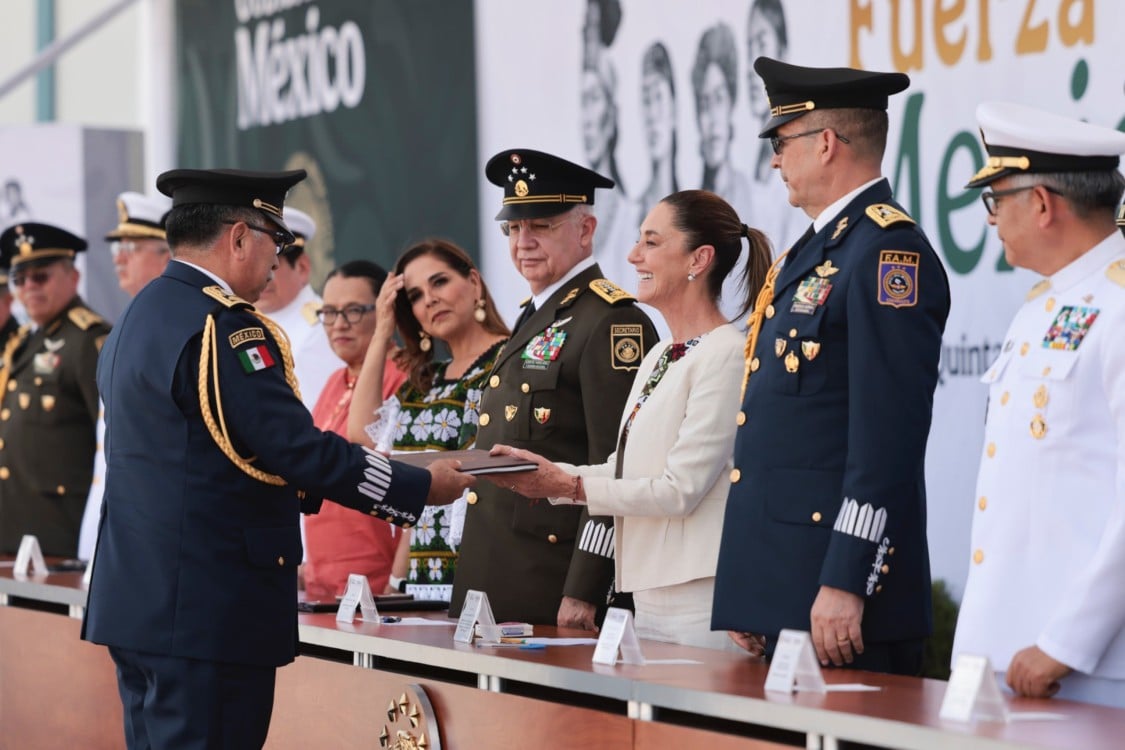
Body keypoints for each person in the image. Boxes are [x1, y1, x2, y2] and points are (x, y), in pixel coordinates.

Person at [81, 168, 473, 749]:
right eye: (276, 240)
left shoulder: (136, 319)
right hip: (207, 612)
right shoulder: (225, 328)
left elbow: (208, 459)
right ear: (239, 237)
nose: (277, 259)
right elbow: (295, 449)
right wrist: (417, 487)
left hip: (141, 603)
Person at [711, 58, 951, 675]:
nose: (774, 161)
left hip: (839, 597)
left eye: (782, 143)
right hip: (788, 584)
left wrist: (848, 577)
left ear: (825, 143)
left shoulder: (886, 251)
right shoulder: (816, 249)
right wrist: (751, 582)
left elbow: (887, 440)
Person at [489, 190, 770, 649]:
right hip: (647, 595)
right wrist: (545, 475)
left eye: (652, 243)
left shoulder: (726, 354)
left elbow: (680, 489)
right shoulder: (662, 352)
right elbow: (625, 468)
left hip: (700, 598)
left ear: (699, 258)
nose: (633, 255)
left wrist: (568, 487)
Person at [952, 102, 1125, 708]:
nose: (993, 220)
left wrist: (1066, 643)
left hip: (1082, 667)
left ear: (1043, 203)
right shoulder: (1039, 307)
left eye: (996, 200)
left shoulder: (1120, 308)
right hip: (1002, 654)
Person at [451, 149, 658, 628]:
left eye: (540, 225)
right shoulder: (536, 314)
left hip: (553, 582)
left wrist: (585, 588)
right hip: (497, 573)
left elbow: (619, 468)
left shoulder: (611, 321)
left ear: (585, 230)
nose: (523, 241)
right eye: (513, 227)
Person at [347, 239, 509, 602]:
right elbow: (362, 432)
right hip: (422, 583)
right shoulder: (424, 383)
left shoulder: (511, 360)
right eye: (416, 296)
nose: (430, 299)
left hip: (490, 575)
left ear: (474, 282)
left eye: (439, 282)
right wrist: (381, 330)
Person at [300, 260, 409, 598]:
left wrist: (397, 582)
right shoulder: (336, 380)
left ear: (384, 311)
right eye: (329, 313)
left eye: (353, 311)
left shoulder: (406, 377)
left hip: (379, 590)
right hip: (322, 586)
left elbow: (422, 492)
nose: (338, 324)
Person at [0, 222, 111, 556]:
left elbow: (113, 440)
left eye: (41, 276)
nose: (29, 287)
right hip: (14, 533)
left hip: (61, 536)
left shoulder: (88, 340)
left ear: (73, 277)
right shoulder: (23, 341)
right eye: (20, 280)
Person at [77, 191, 173, 561]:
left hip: (152, 529)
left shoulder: (178, 325)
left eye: (131, 247)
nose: (118, 257)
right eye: (118, 247)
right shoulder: (129, 322)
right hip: (114, 522)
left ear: (167, 254)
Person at [692, 22, 754, 325]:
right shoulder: (689, 202)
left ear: (731, 104)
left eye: (718, 99)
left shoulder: (750, 196)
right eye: (703, 103)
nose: (711, 118)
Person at [255, 206, 336, 410]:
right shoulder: (247, 321)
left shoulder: (321, 330)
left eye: (271, 266)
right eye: (252, 266)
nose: (260, 277)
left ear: (302, 268)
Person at [636, 42, 680, 219]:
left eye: (658, 97)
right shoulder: (633, 215)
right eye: (646, 100)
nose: (652, 114)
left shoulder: (694, 213)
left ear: (674, 109)